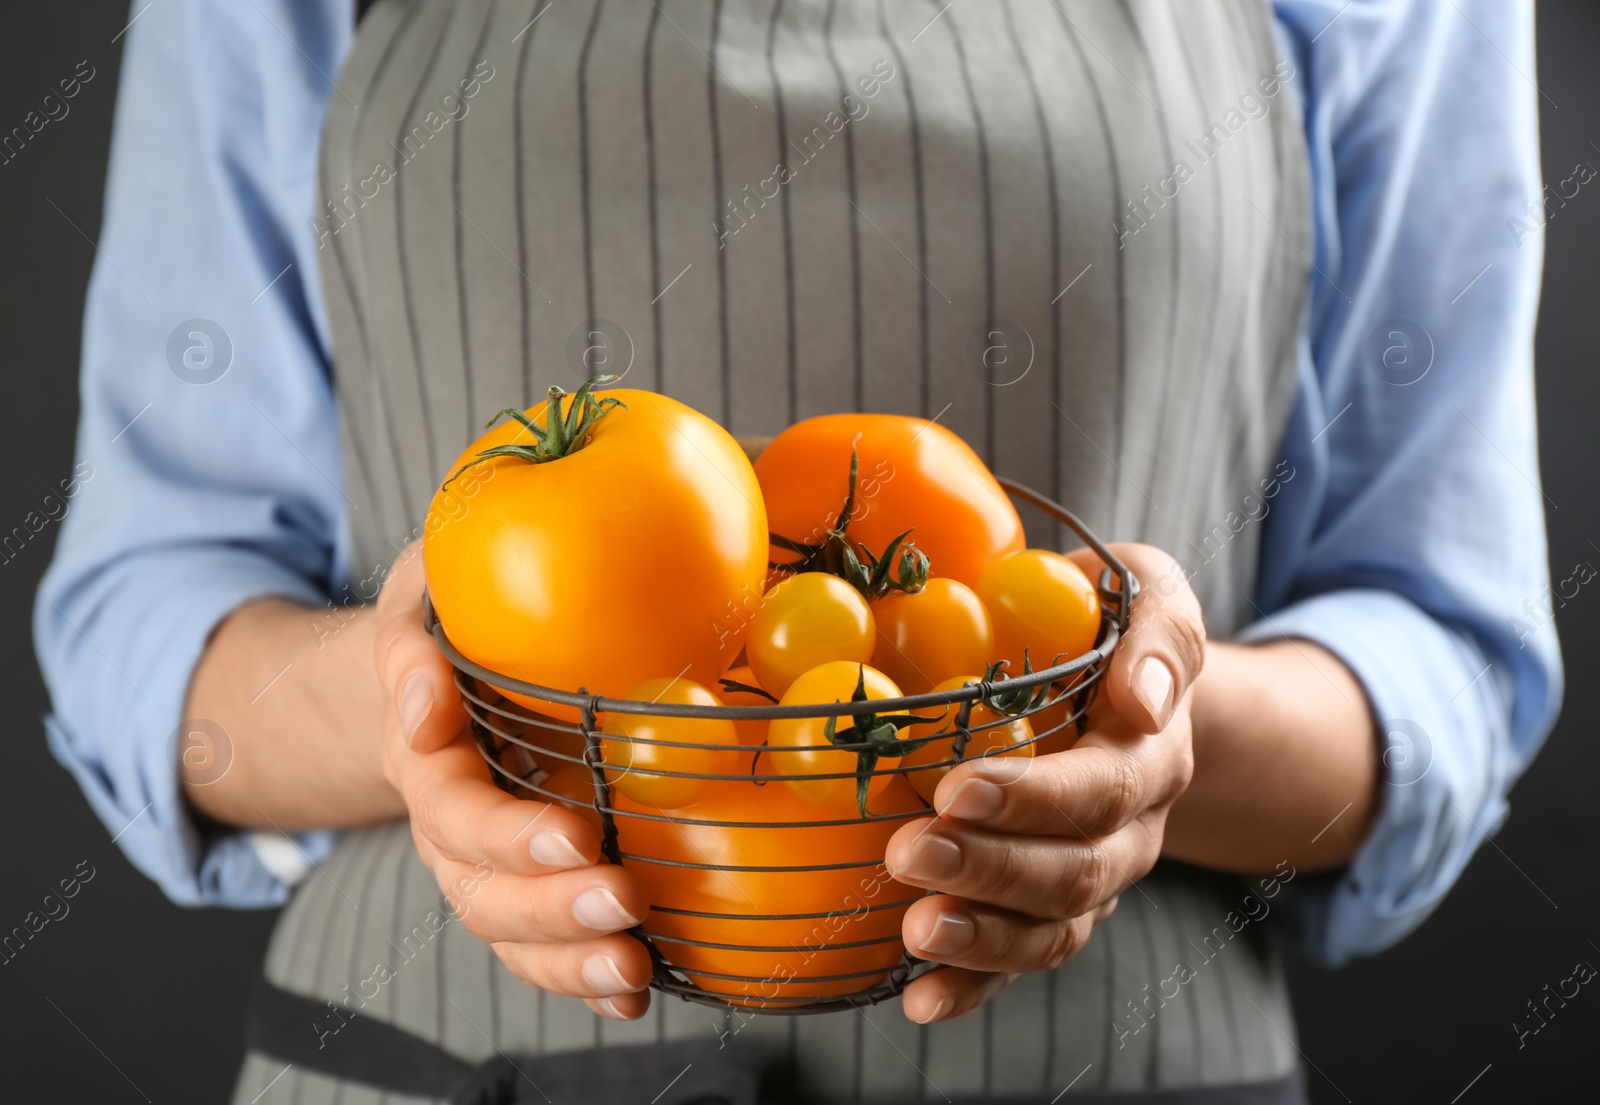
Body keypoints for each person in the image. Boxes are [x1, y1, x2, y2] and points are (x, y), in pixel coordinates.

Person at [36, 0, 1561, 1102]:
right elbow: (150, 610)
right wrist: (422, 706)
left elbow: (1441, 641)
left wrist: (1152, 736)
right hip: (418, 1066)